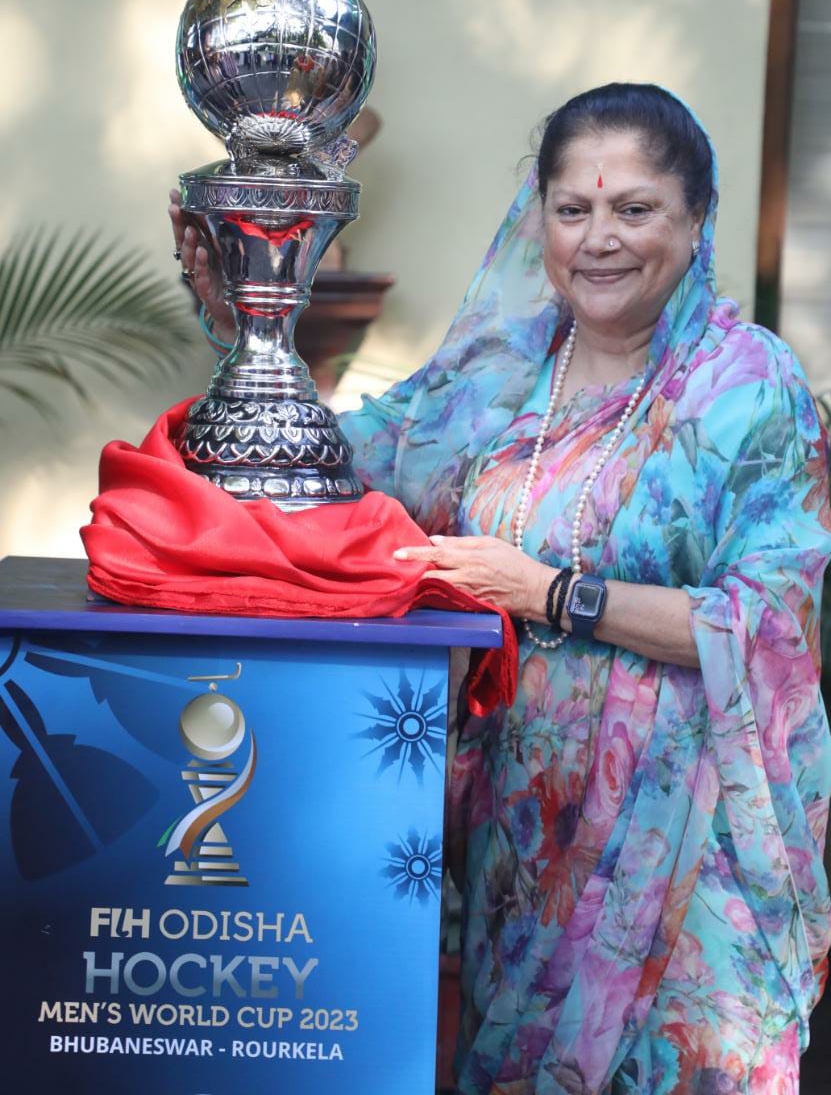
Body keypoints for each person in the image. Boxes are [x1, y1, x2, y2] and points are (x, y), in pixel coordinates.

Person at [177, 83, 831, 1093]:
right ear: (540, 219)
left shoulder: (748, 388)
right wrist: (244, 323)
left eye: (635, 208)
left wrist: (553, 593)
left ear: (697, 216)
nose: (599, 238)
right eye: (573, 209)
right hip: (522, 840)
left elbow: (767, 626)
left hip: (691, 859)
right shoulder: (496, 374)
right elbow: (326, 467)